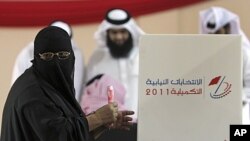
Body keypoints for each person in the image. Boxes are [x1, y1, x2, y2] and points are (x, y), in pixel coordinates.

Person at [1, 26, 134, 141]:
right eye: (47, 56)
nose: (57, 63)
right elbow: (58, 135)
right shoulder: (32, 92)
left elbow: (72, 134)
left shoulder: (48, 86)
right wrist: (98, 118)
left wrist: (103, 123)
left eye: (63, 55)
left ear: (71, 57)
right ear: (36, 57)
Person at [85, 8, 144, 122]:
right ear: (107, 33)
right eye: (114, 32)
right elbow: (89, 95)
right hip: (109, 125)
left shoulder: (142, 55)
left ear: (130, 32)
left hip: (142, 122)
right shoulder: (97, 58)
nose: (119, 37)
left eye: (123, 32)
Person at [11, 20, 85, 101]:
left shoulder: (76, 54)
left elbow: (77, 88)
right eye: (48, 55)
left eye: (62, 54)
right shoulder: (28, 53)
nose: (56, 60)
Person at [199, 6, 250, 124]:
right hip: (214, 114)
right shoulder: (208, 57)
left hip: (241, 111)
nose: (214, 36)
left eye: (218, 32)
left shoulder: (244, 53)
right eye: (211, 33)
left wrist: (234, 98)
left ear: (227, 29)